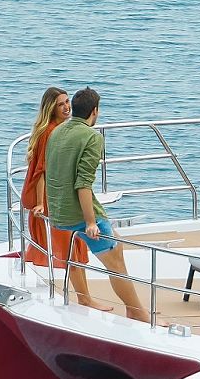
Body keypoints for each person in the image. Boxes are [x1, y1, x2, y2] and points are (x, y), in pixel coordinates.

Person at [43, 87, 156, 322]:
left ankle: (134, 309)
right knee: (115, 263)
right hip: (79, 215)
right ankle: (137, 313)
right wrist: (90, 222)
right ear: (95, 111)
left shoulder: (57, 132)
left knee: (117, 247)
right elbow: (83, 184)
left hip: (59, 212)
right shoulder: (92, 137)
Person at [19, 86, 81, 268]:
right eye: (60, 104)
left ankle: (66, 273)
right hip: (50, 195)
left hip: (58, 191)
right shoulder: (50, 132)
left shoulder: (60, 128)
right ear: (51, 108)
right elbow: (41, 171)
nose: (66, 107)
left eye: (67, 102)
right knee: (61, 241)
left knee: (64, 240)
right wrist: (40, 203)